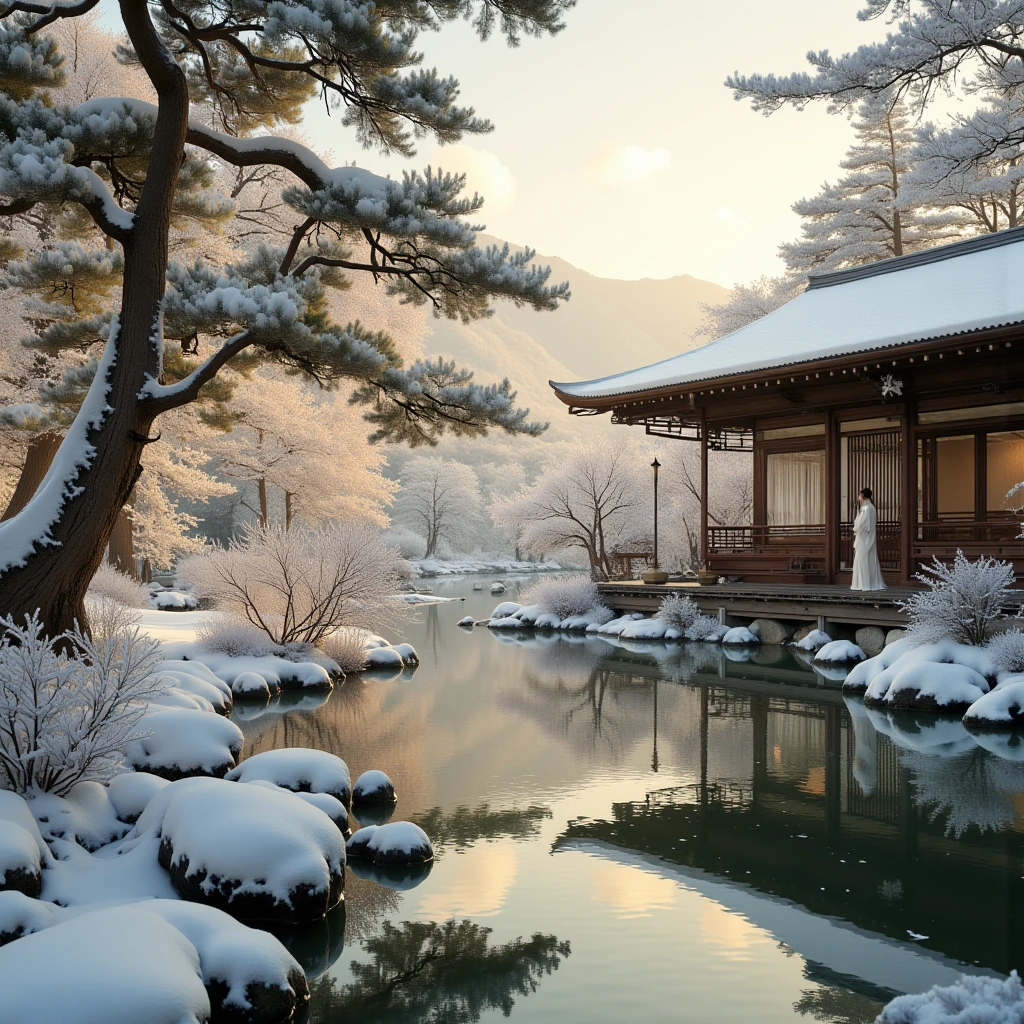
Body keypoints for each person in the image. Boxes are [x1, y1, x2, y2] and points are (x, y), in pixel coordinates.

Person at [851, 487, 886, 591]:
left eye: (860, 495)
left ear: (863, 496)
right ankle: (869, 583)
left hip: (863, 536)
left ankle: (863, 583)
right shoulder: (871, 507)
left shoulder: (866, 508)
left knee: (862, 558)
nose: (859, 497)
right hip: (867, 535)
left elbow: (861, 523)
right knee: (868, 557)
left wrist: (856, 528)